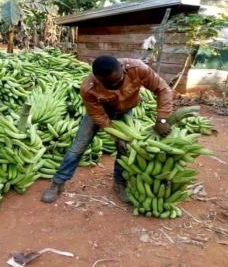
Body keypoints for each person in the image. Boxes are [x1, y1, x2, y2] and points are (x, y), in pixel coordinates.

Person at [41, 55, 173, 203]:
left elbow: (162, 89)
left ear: (122, 70)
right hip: (99, 114)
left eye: (118, 81)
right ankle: (57, 183)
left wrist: (162, 119)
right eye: (109, 84)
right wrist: (116, 135)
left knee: (125, 148)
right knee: (77, 147)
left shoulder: (137, 69)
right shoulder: (88, 88)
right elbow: (99, 117)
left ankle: (119, 183)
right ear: (98, 79)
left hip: (125, 110)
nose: (115, 86)